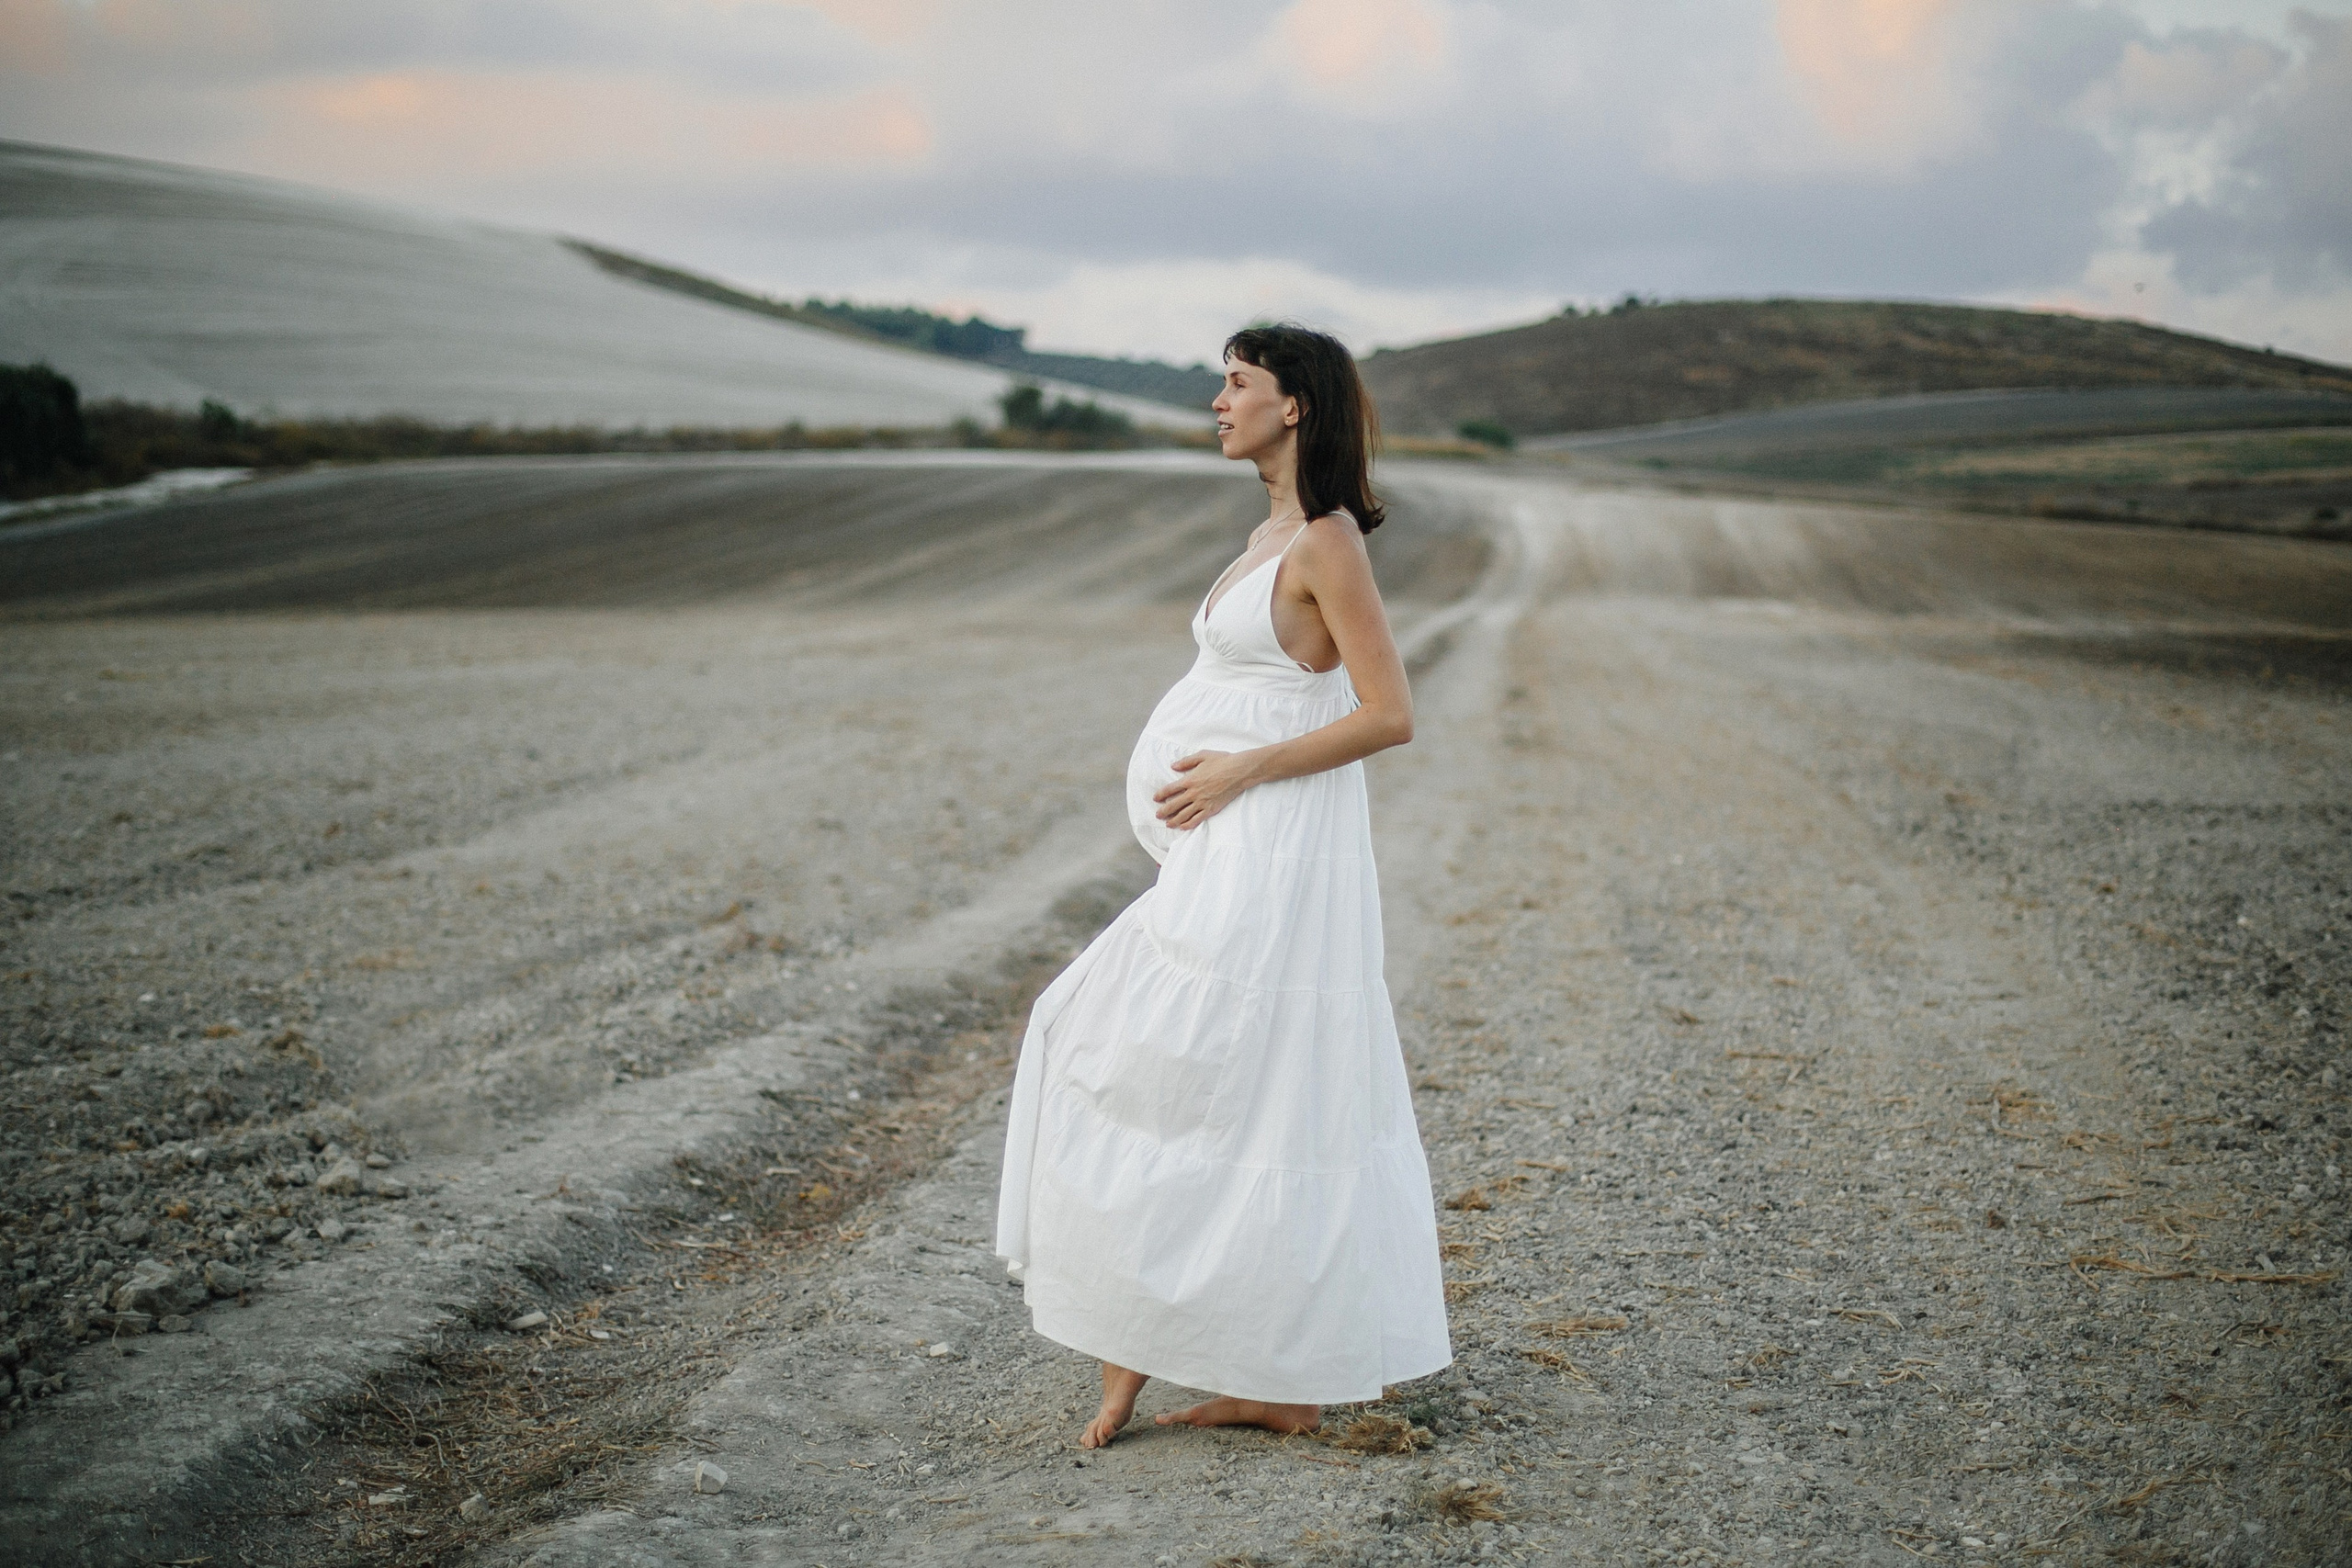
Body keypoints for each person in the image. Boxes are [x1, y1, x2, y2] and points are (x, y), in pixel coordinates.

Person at [993, 322, 1453, 1448]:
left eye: (1236, 383)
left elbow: (1388, 714)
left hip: (1278, 850)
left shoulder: (1328, 541)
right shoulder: (1268, 532)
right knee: (1190, 1076)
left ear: (1292, 406)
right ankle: (1211, 1364)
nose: (1216, 400)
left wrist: (1243, 766)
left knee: (1187, 1071)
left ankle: (1204, 1368)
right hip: (1226, 847)